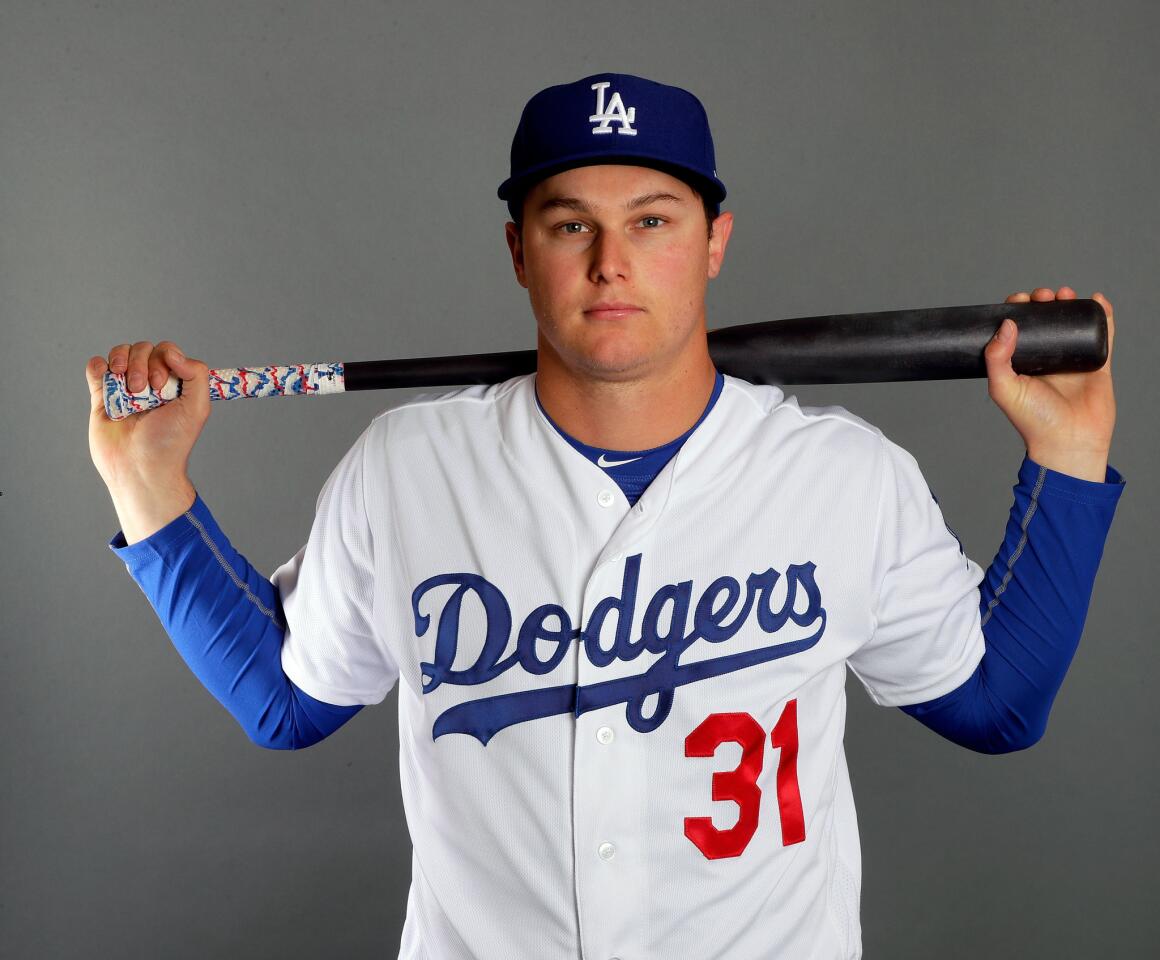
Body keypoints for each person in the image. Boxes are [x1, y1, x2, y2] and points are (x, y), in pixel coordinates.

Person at [85, 73, 1123, 959]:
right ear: (517, 249)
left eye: (651, 221)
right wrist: (151, 489)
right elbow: (286, 701)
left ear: (712, 242)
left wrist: (1066, 456)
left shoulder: (842, 475)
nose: (608, 263)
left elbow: (993, 704)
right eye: (570, 223)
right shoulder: (406, 469)